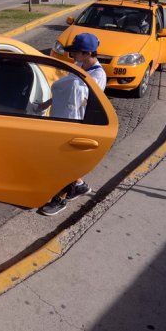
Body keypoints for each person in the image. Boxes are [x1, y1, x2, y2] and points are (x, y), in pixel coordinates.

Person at [40, 33, 107, 216]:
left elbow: (91, 104)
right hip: (61, 119)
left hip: (76, 124)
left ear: (87, 53)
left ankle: (60, 199)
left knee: (65, 163)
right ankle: (79, 185)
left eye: (75, 52)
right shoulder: (79, 65)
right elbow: (67, 91)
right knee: (63, 161)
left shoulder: (98, 76)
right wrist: (48, 103)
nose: (72, 56)